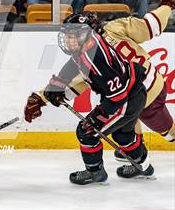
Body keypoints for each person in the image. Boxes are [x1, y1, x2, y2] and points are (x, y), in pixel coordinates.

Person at [24, 0, 175, 151]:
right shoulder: (113, 28)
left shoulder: (90, 57)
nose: (71, 40)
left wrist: (43, 97)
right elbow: (150, 26)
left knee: (164, 130)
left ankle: (140, 151)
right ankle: (136, 151)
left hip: (148, 91)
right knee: (126, 121)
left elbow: (77, 83)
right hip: (144, 84)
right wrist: (167, 5)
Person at [32, 20, 152, 185]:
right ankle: (143, 166)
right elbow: (75, 62)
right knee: (123, 134)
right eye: (66, 36)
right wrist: (59, 83)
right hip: (133, 92)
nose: (67, 40)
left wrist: (98, 117)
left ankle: (95, 172)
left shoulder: (96, 58)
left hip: (124, 99)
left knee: (86, 131)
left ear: (82, 35)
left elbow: (117, 95)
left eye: (71, 36)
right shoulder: (88, 43)